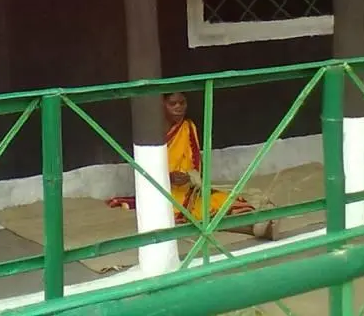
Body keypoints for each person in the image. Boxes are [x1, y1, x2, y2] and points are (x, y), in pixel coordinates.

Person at [109, 92, 277, 240]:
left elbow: (195, 162)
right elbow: (144, 170)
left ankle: (256, 223)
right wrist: (167, 177)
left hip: (189, 187)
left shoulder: (188, 127)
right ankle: (254, 228)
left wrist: (190, 176)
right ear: (162, 104)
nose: (178, 107)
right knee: (194, 214)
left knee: (224, 201)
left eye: (182, 103)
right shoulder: (150, 132)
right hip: (162, 192)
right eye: (172, 103)